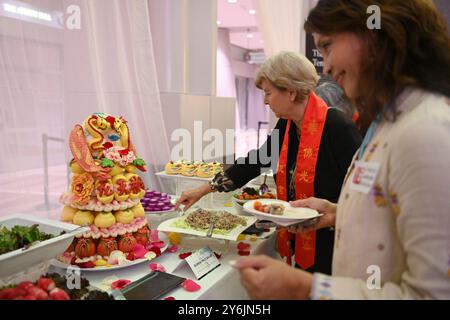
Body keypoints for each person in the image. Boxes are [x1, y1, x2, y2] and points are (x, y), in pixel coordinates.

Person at [232, 0, 450, 299]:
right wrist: (337, 212)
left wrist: (305, 288)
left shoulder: (425, 132)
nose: (328, 67)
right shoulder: (389, 124)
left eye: (328, 46)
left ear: (376, 34)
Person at [175, 51, 362, 275]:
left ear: (291, 92)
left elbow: (361, 193)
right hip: (298, 235)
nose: (264, 101)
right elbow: (255, 162)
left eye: (268, 93)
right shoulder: (287, 126)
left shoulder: (337, 126)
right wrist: (203, 189)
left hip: (335, 243)